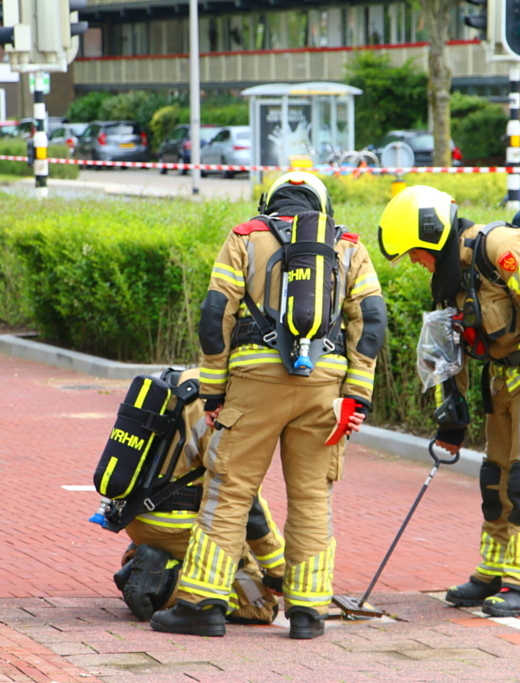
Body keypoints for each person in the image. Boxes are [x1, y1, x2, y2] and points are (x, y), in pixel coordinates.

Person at [152, 171, 387, 639]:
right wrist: (356, 395)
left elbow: (215, 315)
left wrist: (214, 392)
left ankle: (201, 604)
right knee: (312, 498)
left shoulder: (245, 236)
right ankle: (307, 613)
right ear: (323, 208)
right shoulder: (348, 246)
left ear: (270, 202)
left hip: (255, 383)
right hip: (325, 383)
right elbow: (372, 321)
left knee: (230, 491)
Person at [376, 186, 520, 618]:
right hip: (506, 375)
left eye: (414, 253)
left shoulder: (502, 248)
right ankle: (495, 571)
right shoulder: (450, 279)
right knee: (495, 475)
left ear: (431, 235)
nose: (413, 263)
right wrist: (451, 421)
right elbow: (452, 350)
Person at [113, 370, 285, 626]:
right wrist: (277, 571)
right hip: (180, 526)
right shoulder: (227, 405)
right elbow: (247, 505)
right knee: (259, 606)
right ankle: (164, 583)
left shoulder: (181, 381)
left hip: (137, 516)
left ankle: (146, 556)